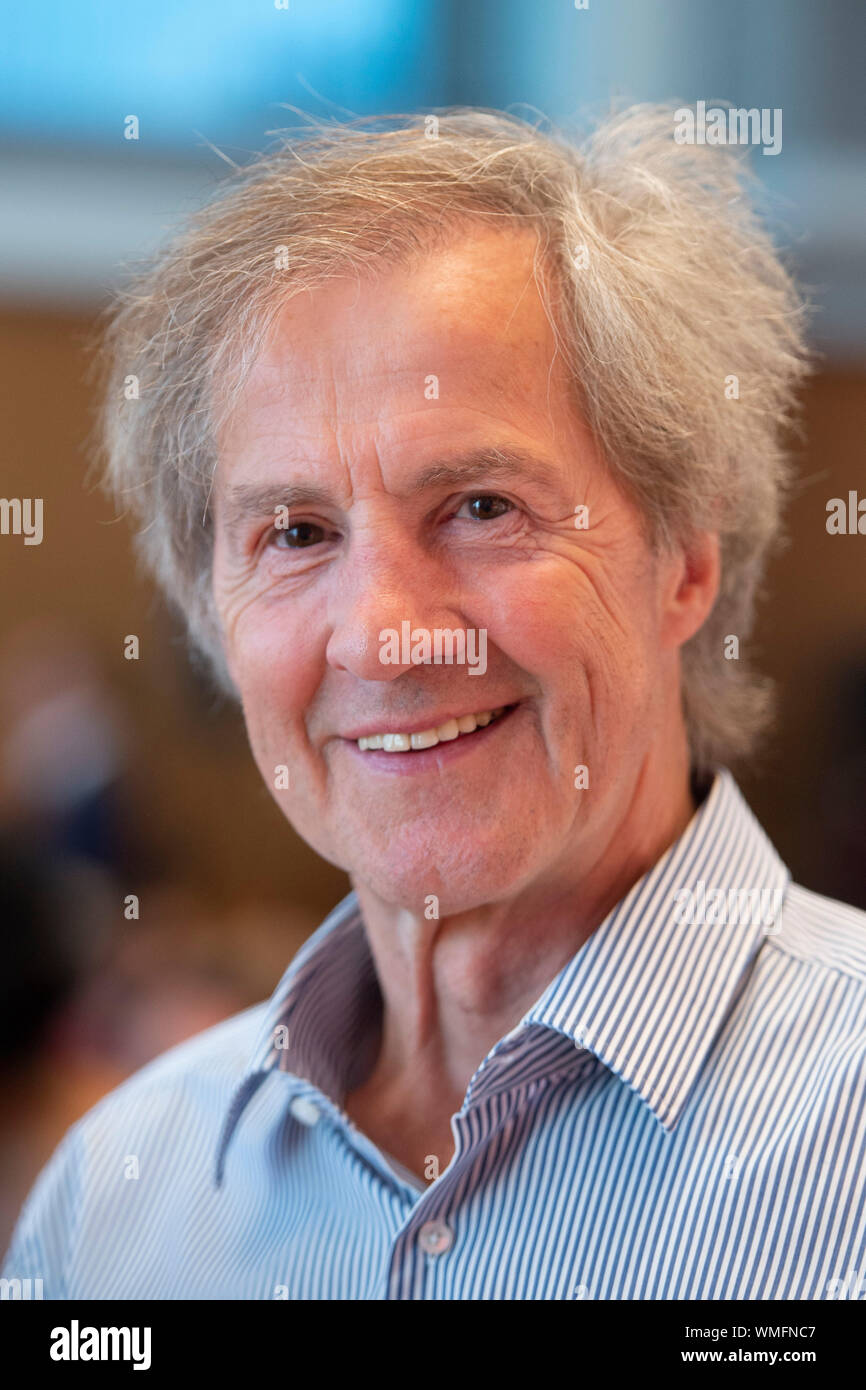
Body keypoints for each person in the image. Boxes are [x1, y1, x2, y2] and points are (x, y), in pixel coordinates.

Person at [4, 105, 865, 1301]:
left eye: (478, 507)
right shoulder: (116, 1203)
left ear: (683, 560)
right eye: (296, 532)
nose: (382, 635)